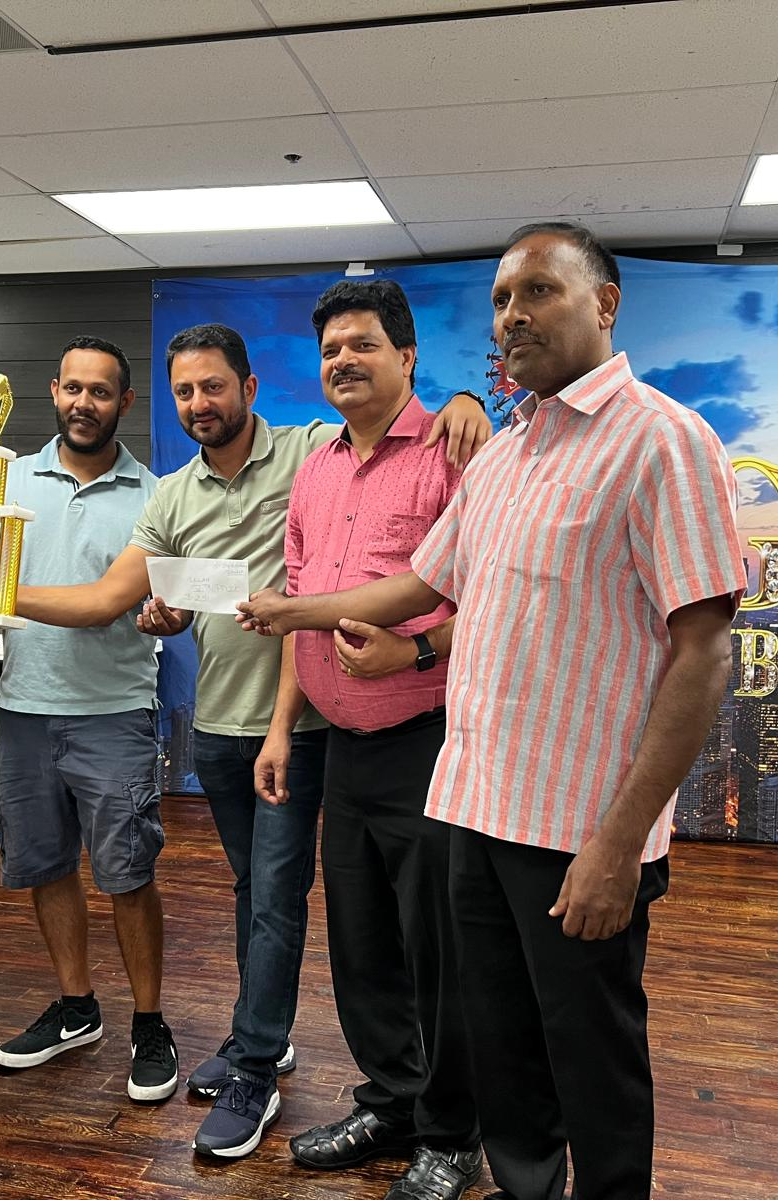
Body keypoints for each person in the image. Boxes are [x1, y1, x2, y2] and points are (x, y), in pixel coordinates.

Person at [238, 222, 746, 1200]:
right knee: (505, 1055)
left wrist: (619, 844)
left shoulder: (664, 441)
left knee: (591, 1059)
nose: (514, 315)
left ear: (605, 304)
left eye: (539, 292)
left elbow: (703, 654)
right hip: (471, 813)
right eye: (502, 300)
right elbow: (420, 585)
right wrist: (294, 610)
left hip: (578, 832)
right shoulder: (504, 458)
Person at [0, 325, 489, 1159]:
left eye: (214, 387)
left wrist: (463, 402)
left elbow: (379, 420)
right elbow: (119, 600)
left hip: (297, 726)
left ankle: (256, 1065)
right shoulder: (173, 495)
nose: (200, 403)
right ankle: (259, 1033)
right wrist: (161, 613)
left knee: (276, 899)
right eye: (185, 391)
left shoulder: (307, 452)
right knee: (252, 891)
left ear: (250, 388)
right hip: (219, 726)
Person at [0, 336, 179, 1104]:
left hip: (114, 713)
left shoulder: (156, 496)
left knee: (127, 875)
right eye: (73, 388)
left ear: (124, 402)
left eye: (100, 391)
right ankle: (77, 1007)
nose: (84, 403)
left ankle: (149, 1023)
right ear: (53, 391)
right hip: (24, 711)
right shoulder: (6, 483)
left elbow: (104, 603)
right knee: (45, 868)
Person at [280, 280, 481, 1200]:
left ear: (406, 356)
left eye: (362, 344)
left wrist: (416, 649)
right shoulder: (317, 468)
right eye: (330, 350)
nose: (343, 362)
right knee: (361, 945)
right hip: (342, 747)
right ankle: (393, 1102)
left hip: (430, 743)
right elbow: (299, 608)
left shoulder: (452, 451)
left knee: (437, 950)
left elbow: (498, 597)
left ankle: (453, 1134)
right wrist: (282, 726)